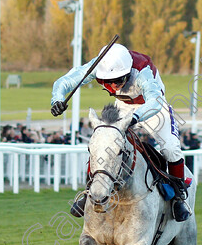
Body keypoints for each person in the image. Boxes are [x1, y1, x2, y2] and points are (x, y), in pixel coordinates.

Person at [50, 43, 192, 221]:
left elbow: (154, 100)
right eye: (108, 82)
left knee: (171, 148)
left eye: (118, 80)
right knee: (106, 144)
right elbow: (64, 81)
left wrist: (135, 117)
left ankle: (179, 197)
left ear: (127, 73)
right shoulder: (98, 64)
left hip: (154, 108)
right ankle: (89, 192)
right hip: (124, 107)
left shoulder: (142, 70)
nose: (114, 86)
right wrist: (57, 99)